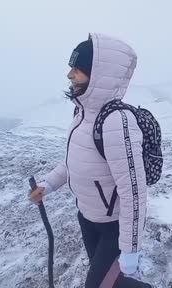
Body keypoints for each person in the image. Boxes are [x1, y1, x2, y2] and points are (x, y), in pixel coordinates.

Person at [29, 33, 151, 288]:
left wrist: (130, 249)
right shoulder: (83, 112)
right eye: (70, 67)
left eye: (77, 68)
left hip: (113, 227)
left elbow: (134, 191)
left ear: (98, 74)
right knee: (111, 281)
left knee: (97, 285)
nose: (69, 74)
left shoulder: (117, 121)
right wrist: (48, 184)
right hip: (88, 218)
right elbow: (76, 162)